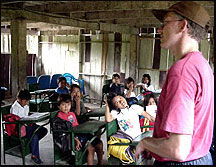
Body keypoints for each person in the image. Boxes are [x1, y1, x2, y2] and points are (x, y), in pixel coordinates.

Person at [135, 1, 214, 165]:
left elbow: (177, 149)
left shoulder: (183, 71)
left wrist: (145, 143)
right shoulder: (202, 64)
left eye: (165, 23)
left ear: (182, 26)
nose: (160, 29)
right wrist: (157, 147)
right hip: (202, 158)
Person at [57, 94, 103, 165]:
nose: (66, 107)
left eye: (68, 104)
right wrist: (75, 139)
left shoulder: (72, 114)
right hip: (74, 137)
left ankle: (100, 163)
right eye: (63, 105)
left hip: (82, 133)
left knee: (99, 144)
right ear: (58, 106)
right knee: (91, 149)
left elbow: (77, 126)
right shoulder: (60, 117)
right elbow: (65, 132)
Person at [10, 89, 48, 164]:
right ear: (19, 99)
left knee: (43, 130)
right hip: (20, 128)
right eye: (25, 101)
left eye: (27, 101)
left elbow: (27, 115)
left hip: (28, 125)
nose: (26, 103)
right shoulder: (14, 108)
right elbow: (15, 121)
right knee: (34, 135)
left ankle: (29, 144)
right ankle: (34, 156)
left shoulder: (25, 106)